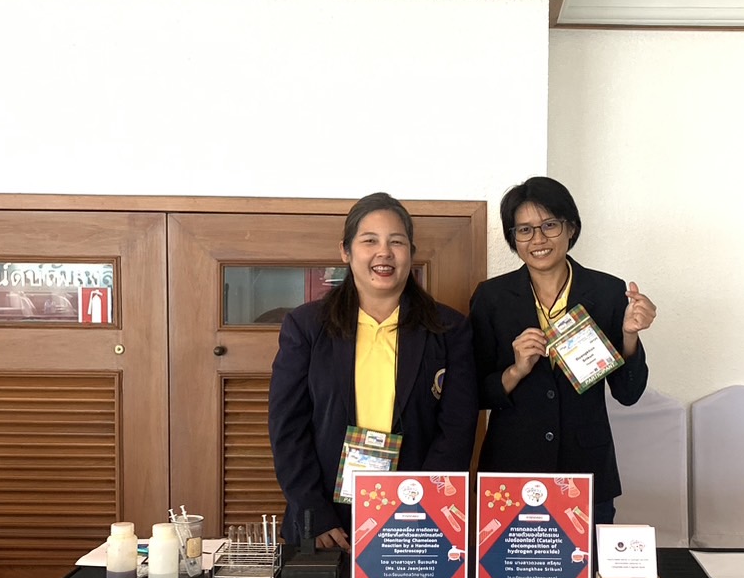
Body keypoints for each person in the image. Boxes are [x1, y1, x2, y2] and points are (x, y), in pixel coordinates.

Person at [269, 192, 478, 549]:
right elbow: (287, 427)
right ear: (346, 251)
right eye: (369, 241)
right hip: (328, 522)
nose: (384, 253)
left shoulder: (448, 329)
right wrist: (314, 513)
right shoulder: (306, 326)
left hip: (417, 517)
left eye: (396, 242)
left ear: (411, 252)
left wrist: (424, 507)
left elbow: (457, 430)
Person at [469, 177, 655, 526]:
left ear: (571, 228)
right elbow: (474, 392)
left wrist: (629, 337)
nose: (538, 239)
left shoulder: (607, 292)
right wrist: (515, 371)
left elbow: (628, 394)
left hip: (586, 470)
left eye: (549, 225)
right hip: (512, 469)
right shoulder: (491, 298)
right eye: (525, 230)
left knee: (587, 562)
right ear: (513, 238)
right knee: (511, 564)